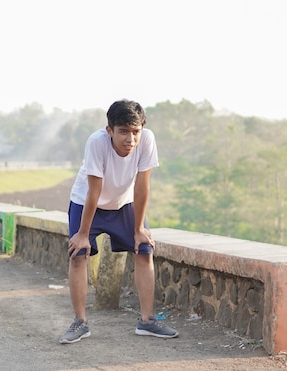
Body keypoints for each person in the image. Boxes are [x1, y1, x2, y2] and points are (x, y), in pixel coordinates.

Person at [59, 99, 179, 344]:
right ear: (109, 130)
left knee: (144, 250)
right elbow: (94, 191)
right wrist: (83, 233)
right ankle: (80, 322)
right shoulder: (96, 143)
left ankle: (147, 321)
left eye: (135, 132)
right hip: (87, 203)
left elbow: (143, 186)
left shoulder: (147, 140)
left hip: (124, 203)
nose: (130, 139)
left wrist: (138, 229)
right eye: (123, 132)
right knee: (78, 254)